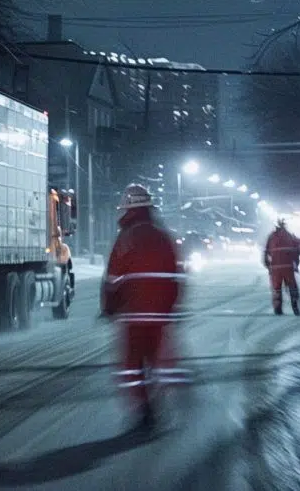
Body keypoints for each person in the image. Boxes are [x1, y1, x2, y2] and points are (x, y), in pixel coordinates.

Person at [102, 183, 185, 431]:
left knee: (132, 366)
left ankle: (144, 409)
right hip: (160, 315)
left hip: (134, 315)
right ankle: (160, 400)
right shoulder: (163, 236)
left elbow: (113, 279)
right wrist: (171, 306)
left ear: (127, 209)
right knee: (159, 360)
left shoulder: (125, 238)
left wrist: (109, 308)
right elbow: (177, 276)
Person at [264, 219, 300, 315]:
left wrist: (268, 266)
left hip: (275, 268)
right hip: (288, 267)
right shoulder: (289, 236)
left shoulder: (271, 237)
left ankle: (277, 309)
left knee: (277, 289)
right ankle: (295, 306)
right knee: (292, 287)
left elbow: (266, 253)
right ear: (284, 226)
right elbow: (296, 251)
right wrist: (296, 264)